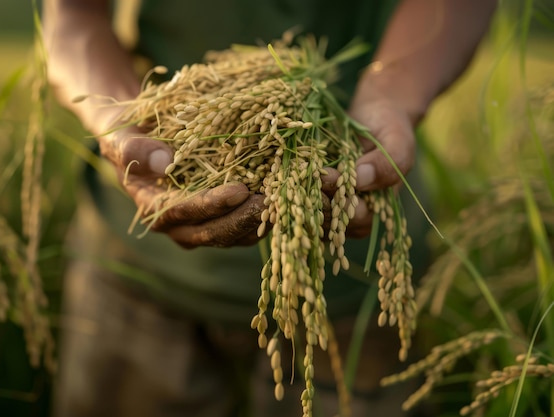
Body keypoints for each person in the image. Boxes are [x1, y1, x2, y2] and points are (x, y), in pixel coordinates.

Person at [42, 1, 496, 416]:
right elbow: (74, 14)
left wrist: (392, 96)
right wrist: (121, 118)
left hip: (358, 285)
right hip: (135, 264)